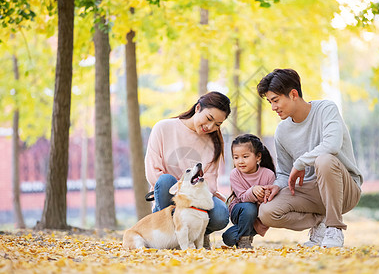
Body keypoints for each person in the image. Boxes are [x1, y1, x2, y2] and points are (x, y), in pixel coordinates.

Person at [256, 68, 363, 248]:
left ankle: (334, 228)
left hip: (345, 189)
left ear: (293, 94)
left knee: (324, 160)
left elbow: (332, 146)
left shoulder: (326, 109)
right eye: (270, 102)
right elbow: (284, 172)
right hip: (312, 193)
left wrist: (300, 162)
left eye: (276, 100)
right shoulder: (282, 131)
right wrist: (276, 186)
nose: (273, 107)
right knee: (267, 212)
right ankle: (320, 224)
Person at [144, 91, 231, 249]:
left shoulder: (215, 142)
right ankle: (170, 233)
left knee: (221, 215)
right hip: (169, 196)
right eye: (209, 119)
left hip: (197, 198)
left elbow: (210, 182)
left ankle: (197, 234)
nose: (210, 127)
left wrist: (192, 199)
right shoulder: (163, 128)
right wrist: (182, 192)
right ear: (198, 108)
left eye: (217, 124)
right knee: (165, 180)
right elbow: (153, 172)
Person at [222, 134, 276, 249]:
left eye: (245, 156)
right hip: (240, 210)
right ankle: (244, 238)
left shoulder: (268, 174)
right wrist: (253, 190)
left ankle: (244, 237)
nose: (240, 161)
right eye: (236, 157)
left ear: (258, 157)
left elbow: (270, 197)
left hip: (259, 216)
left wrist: (264, 195)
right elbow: (242, 197)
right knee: (248, 207)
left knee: (230, 237)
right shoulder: (235, 174)